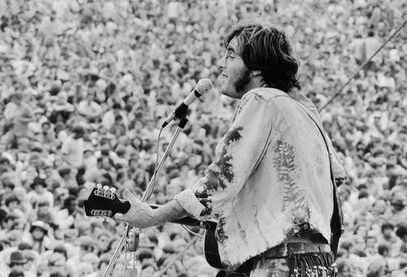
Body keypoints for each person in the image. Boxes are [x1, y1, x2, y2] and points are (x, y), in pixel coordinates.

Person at [113, 21, 347, 276]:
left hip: (280, 263)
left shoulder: (262, 99)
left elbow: (221, 179)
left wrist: (152, 217)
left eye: (231, 54)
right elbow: (336, 177)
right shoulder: (304, 108)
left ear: (257, 67)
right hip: (318, 263)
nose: (221, 64)